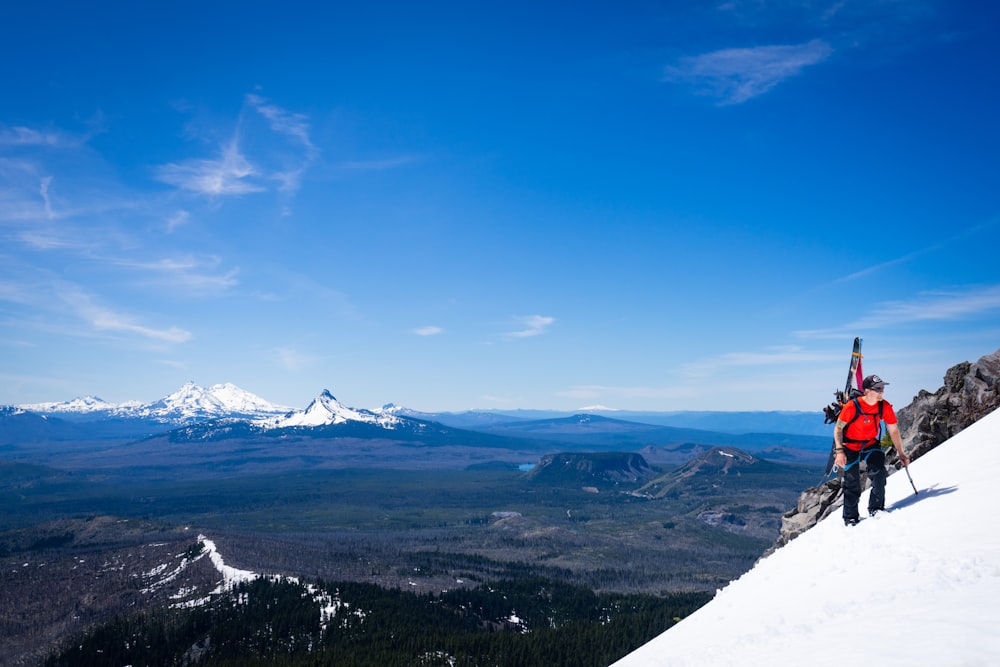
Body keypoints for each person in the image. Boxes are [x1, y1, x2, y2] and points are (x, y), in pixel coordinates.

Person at [833, 374, 910, 525]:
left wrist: (901, 453)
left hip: (870, 444)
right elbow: (838, 429)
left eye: (882, 388)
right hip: (850, 446)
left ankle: (876, 509)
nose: (882, 391)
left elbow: (893, 430)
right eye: (878, 389)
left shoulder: (884, 406)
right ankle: (850, 518)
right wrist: (839, 451)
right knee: (852, 482)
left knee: (879, 474)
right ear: (867, 391)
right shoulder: (852, 406)